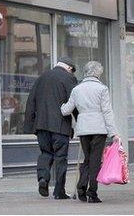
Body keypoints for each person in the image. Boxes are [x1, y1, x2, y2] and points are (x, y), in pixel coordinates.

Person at [61, 61, 120, 203]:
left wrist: (62, 106)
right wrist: (114, 133)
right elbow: (107, 111)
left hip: (84, 128)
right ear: (98, 73)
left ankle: (81, 186)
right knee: (95, 161)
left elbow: (66, 110)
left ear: (86, 72)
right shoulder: (102, 89)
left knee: (87, 159)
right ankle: (92, 193)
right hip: (99, 128)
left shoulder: (77, 89)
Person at [24, 57, 78, 199]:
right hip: (60, 126)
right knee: (61, 158)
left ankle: (43, 178)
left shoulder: (42, 77)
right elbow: (75, 101)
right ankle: (59, 191)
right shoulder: (68, 78)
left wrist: (30, 125)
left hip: (41, 125)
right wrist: (81, 121)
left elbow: (31, 101)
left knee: (45, 153)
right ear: (70, 68)